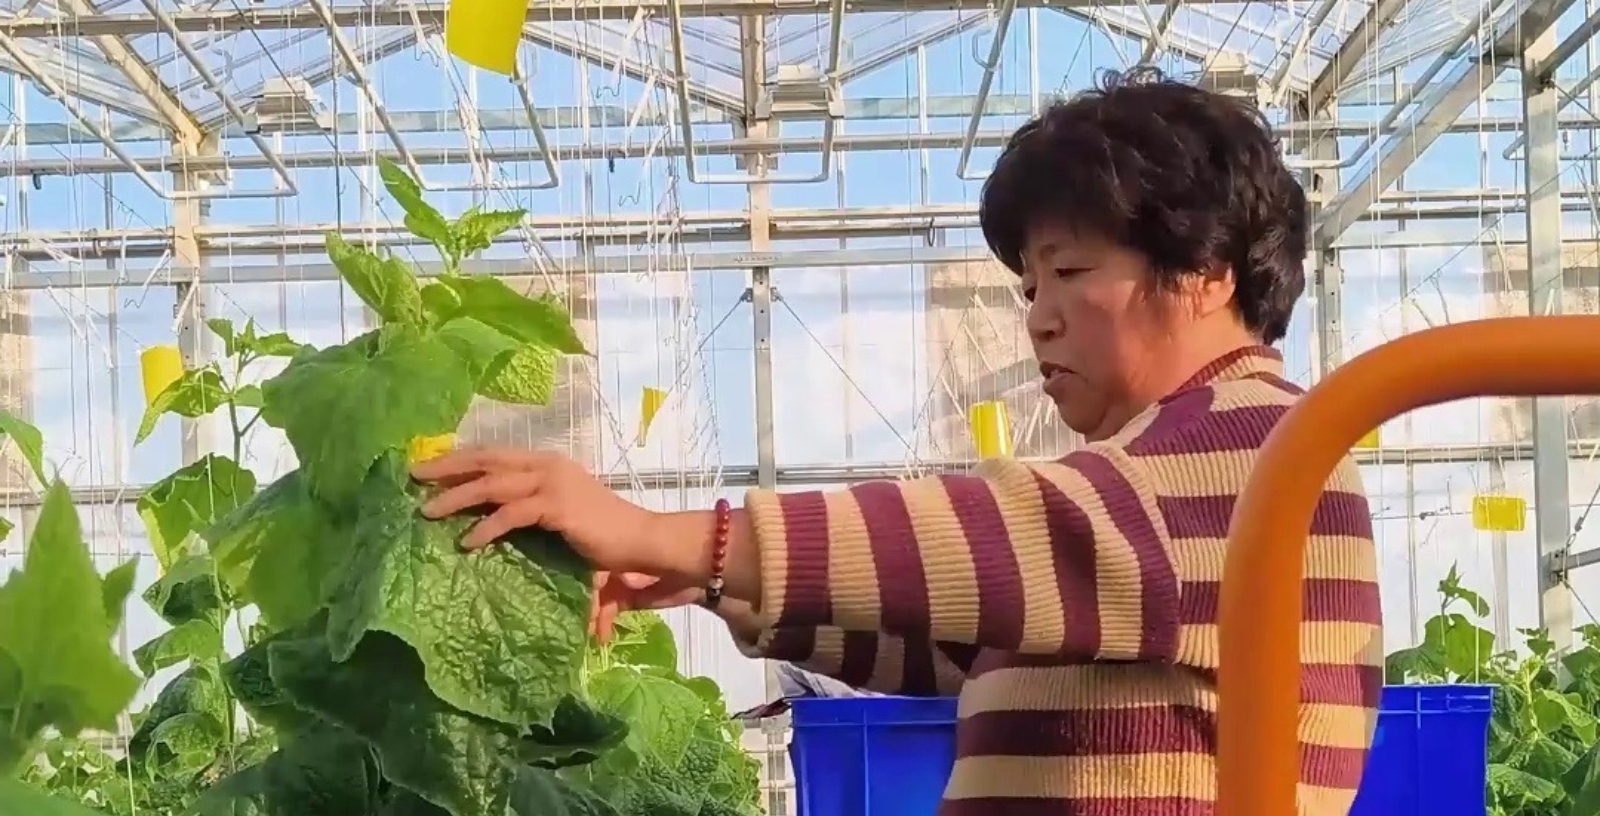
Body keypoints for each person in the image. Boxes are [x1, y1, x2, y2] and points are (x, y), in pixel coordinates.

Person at [413, 67, 1382, 816]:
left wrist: (676, 535)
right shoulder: (1168, 482)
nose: (1037, 317)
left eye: (1069, 272)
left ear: (1206, 269)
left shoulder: (1259, 451)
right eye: (1028, 287)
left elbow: (1016, 539)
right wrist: (713, 582)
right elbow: (966, 645)